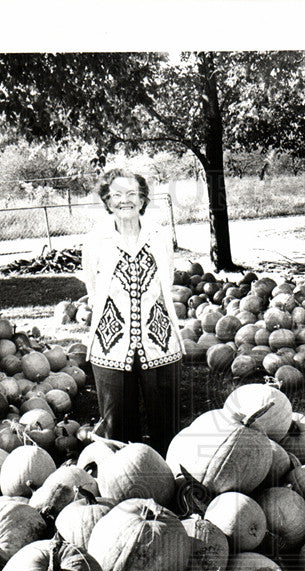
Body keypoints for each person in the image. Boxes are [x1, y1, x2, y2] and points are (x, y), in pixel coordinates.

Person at [81, 167, 185, 456]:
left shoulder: (159, 236)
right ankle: (124, 488)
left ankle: (172, 481)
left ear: (142, 200)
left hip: (160, 342)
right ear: (107, 200)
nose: (124, 200)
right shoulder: (95, 240)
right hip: (111, 345)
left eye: (131, 194)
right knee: (119, 430)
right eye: (117, 194)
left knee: (167, 425)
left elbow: (168, 280)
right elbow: (92, 287)